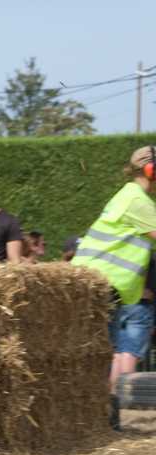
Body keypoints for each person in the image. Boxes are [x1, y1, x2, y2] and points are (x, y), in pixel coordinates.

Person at [71, 146, 156, 427]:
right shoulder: (137, 201)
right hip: (101, 283)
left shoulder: (132, 196)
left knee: (104, 350)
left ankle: (103, 414)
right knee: (99, 352)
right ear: (151, 170)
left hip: (104, 284)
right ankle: (100, 415)